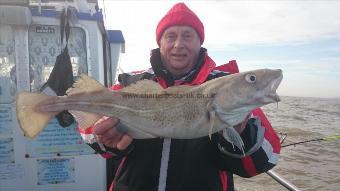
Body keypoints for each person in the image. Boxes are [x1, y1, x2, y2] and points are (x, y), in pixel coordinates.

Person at [80, 3, 281, 191]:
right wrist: (107, 142)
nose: (178, 44)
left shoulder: (227, 90)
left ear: (199, 42)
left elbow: (265, 159)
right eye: (170, 36)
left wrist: (243, 134)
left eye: (187, 36)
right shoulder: (130, 84)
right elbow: (88, 131)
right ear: (160, 42)